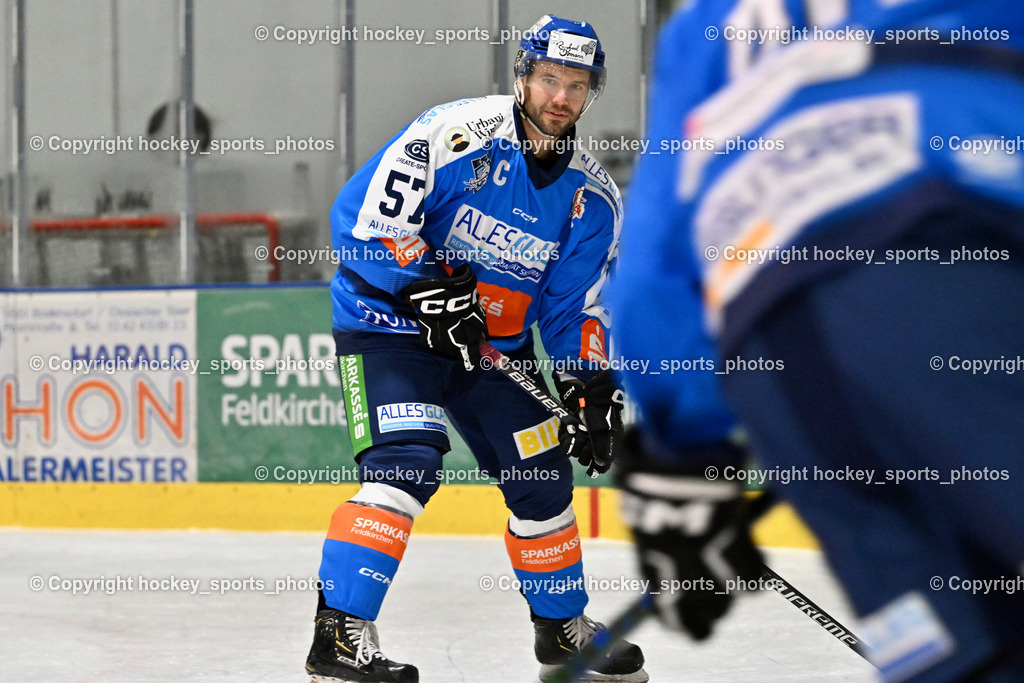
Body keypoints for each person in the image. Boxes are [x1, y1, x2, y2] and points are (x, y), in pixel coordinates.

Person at [610, 1, 1024, 681]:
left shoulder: (704, 25)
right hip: (968, 234)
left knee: (965, 655)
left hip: (775, 349)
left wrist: (681, 454)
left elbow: (655, 266)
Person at [304, 15, 647, 683]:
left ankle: (560, 630)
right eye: (549, 79)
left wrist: (588, 383)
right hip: (390, 324)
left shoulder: (592, 198)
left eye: (577, 86)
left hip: (495, 347)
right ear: (522, 78)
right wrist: (428, 286)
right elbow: (365, 224)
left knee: (543, 473)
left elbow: (575, 306)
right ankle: (338, 637)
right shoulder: (454, 134)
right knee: (406, 462)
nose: (560, 97)